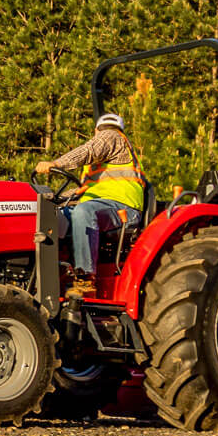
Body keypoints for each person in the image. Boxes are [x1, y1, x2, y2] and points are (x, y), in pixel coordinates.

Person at [35, 112, 146, 297]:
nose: (102, 135)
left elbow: (89, 150)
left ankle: (85, 278)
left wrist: (56, 163)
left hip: (123, 208)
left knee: (83, 212)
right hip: (99, 205)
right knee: (51, 215)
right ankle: (51, 274)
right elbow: (82, 190)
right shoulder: (96, 167)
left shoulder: (112, 137)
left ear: (96, 131)